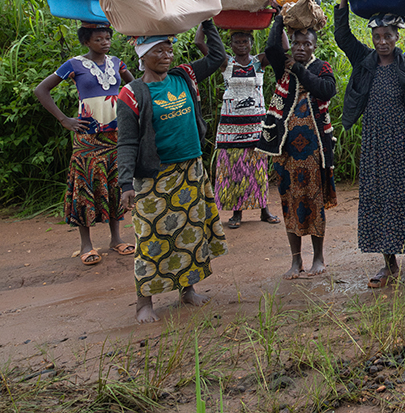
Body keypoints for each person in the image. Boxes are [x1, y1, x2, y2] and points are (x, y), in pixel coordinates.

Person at [115, 22, 227, 323]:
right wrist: (126, 182)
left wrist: (207, 21)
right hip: (155, 176)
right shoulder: (132, 94)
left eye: (168, 48)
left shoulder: (183, 76)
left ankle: (188, 290)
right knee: (152, 239)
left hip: (190, 169)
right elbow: (126, 141)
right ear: (143, 54)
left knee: (189, 233)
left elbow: (217, 57)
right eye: (158, 50)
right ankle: (144, 303)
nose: (166, 55)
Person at [336, 0, 405, 288]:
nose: (382, 41)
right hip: (376, 144)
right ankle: (389, 264)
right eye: (377, 36)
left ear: (396, 37)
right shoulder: (364, 62)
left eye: (387, 36)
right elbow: (342, 35)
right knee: (380, 201)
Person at [34, 24, 135, 266]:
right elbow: (41, 90)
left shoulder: (117, 62)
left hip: (116, 135)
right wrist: (64, 119)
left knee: (114, 184)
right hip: (87, 137)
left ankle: (116, 239)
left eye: (108, 38)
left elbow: (134, 86)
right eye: (99, 39)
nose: (105, 42)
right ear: (87, 42)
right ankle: (86, 245)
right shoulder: (74, 64)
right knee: (84, 185)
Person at [259, 15, 338, 280]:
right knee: (288, 203)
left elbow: (326, 91)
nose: (301, 47)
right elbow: (271, 48)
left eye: (307, 43)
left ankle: (318, 258)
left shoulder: (320, 68)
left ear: (314, 47)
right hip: (285, 152)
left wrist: (300, 70)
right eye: (297, 43)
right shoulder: (283, 66)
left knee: (314, 202)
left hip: (314, 153)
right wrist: (280, 17)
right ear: (291, 45)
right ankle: (296, 262)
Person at [195, 28, 278, 229]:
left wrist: (279, 17)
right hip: (231, 127)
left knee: (259, 168)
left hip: (257, 124)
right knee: (235, 168)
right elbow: (199, 42)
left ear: (251, 43)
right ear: (230, 45)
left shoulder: (259, 62)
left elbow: (281, 48)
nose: (242, 45)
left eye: (245, 41)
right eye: (237, 42)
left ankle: (264, 210)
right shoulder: (225, 62)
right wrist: (206, 19)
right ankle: (236, 212)